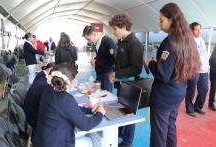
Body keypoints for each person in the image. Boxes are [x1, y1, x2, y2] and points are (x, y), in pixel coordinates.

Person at [148, 3, 201, 147]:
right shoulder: (187, 40)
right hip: (178, 91)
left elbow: (163, 75)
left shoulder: (169, 42)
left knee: (159, 132)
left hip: (164, 95)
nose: (159, 23)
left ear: (171, 20)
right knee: (170, 126)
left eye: (162, 20)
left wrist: (151, 63)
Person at [33, 63, 105, 147]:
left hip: (43, 140)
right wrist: (100, 113)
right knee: (90, 140)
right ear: (69, 81)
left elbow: (70, 109)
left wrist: (90, 110)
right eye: (74, 79)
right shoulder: (64, 98)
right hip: (55, 142)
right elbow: (86, 125)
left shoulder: (49, 90)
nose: (75, 82)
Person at [109, 14, 143, 147]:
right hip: (123, 84)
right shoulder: (123, 42)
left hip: (131, 87)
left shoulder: (134, 43)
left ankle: (127, 142)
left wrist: (117, 73)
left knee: (129, 114)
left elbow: (136, 68)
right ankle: (121, 133)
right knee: (122, 111)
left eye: (115, 29)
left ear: (122, 27)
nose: (113, 31)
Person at [185, 22, 210, 117]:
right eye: (196, 29)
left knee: (204, 89)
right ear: (191, 30)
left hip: (204, 70)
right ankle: (189, 108)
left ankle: (198, 107)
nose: (199, 31)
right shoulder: (188, 41)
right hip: (194, 70)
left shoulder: (202, 40)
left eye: (200, 29)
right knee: (191, 90)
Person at [82, 25, 117, 92]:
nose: (88, 42)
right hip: (100, 73)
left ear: (94, 34)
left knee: (106, 95)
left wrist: (97, 62)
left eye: (88, 39)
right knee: (99, 93)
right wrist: (95, 59)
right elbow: (102, 55)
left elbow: (115, 59)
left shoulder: (107, 41)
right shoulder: (98, 42)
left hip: (107, 74)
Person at [24, 62, 55, 129]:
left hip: (29, 110)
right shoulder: (44, 82)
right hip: (33, 117)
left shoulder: (42, 76)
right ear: (51, 69)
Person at [209, 45, 216, 111]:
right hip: (214, 74)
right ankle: (211, 103)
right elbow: (211, 62)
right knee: (213, 89)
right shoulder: (214, 56)